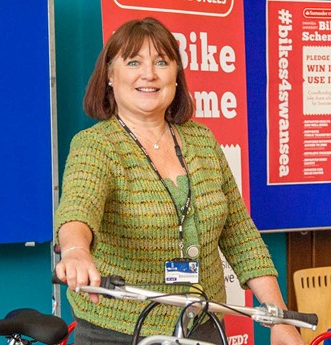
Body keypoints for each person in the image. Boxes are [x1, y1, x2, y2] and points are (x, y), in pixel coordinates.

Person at [54, 17, 306, 345]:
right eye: (134, 62)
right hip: (117, 331)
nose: (149, 74)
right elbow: (78, 205)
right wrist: (75, 251)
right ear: (111, 76)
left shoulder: (201, 140)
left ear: (176, 75)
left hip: (201, 325)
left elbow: (241, 236)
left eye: (162, 62)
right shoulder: (97, 145)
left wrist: (279, 318)